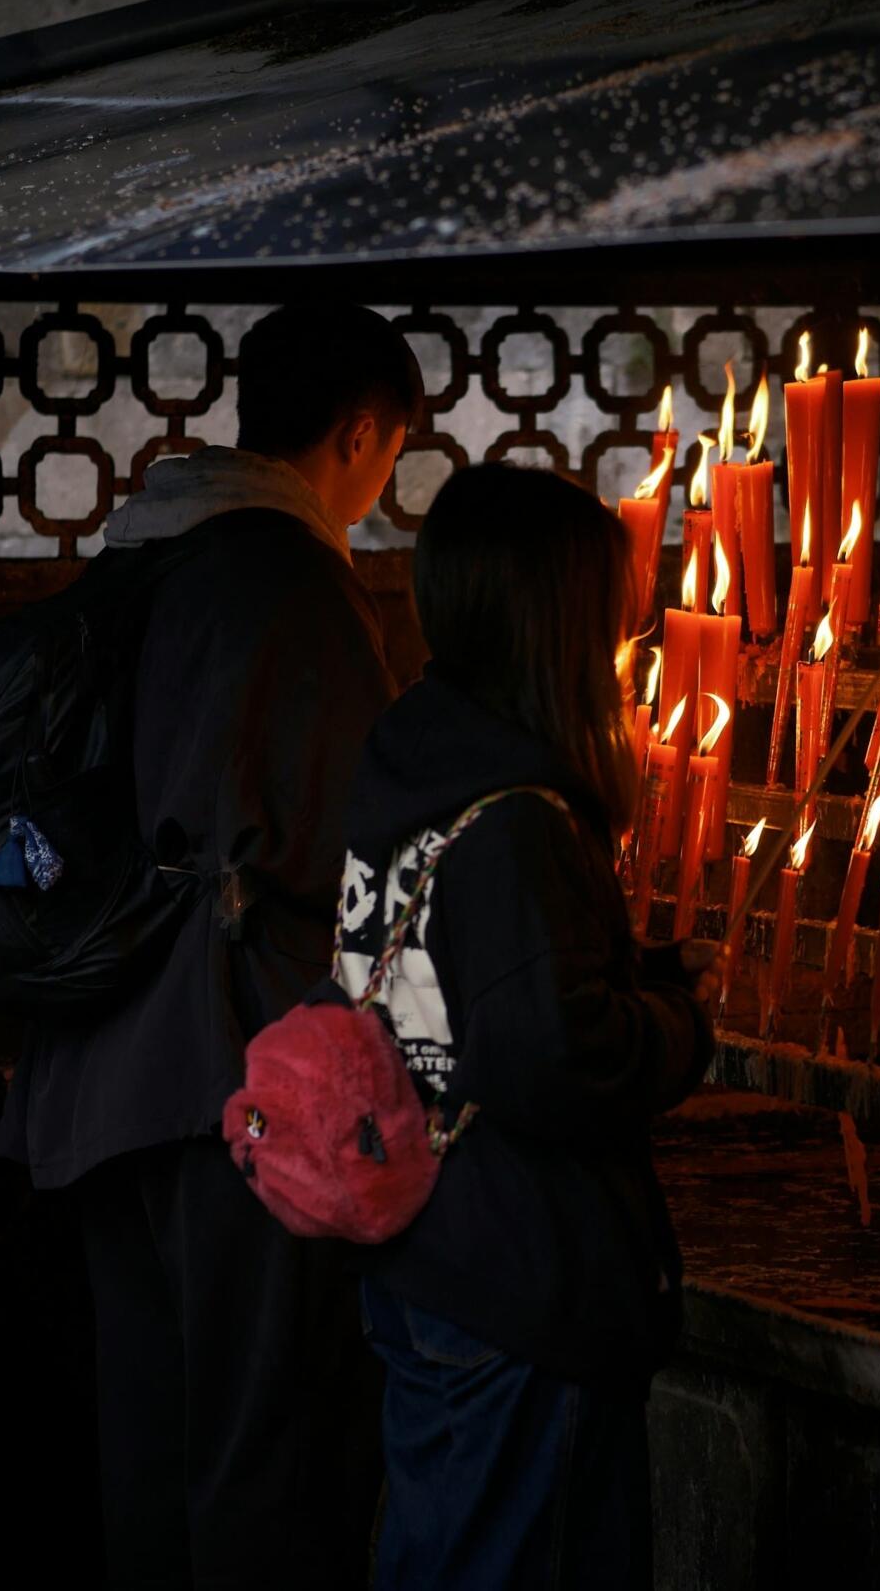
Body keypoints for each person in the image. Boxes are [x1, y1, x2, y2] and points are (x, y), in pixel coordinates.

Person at [0, 303, 419, 1588]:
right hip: (229, 1081)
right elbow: (360, 845)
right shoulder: (290, 582)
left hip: (95, 1070)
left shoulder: (134, 562)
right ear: (359, 432)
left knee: (155, 1438)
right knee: (260, 1447)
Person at [321, 461, 719, 1590]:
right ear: (560, 620)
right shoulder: (518, 817)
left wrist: (620, 967)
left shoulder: (415, 758)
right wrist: (681, 1022)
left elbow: (458, 977)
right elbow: (552, 1057)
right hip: (515, 1279)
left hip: (426, 1247)